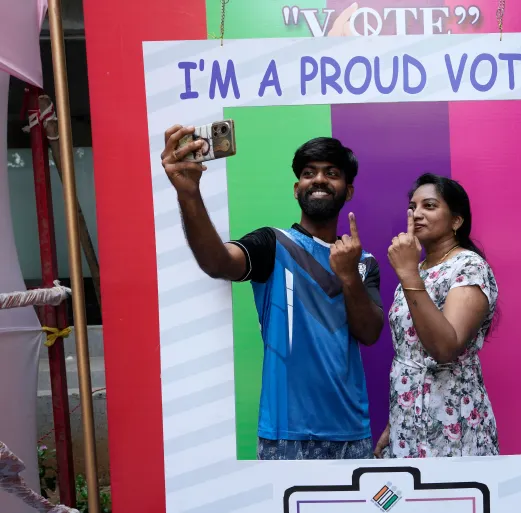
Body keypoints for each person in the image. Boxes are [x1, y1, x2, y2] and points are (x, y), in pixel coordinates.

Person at [161, 126, 384, 460]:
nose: (319, 179)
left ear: (348, 191)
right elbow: (217, 262)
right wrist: (188, 194)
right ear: (297, 189)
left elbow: (369, 333)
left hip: (352, 433)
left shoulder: (364, 262)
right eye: (309, 173)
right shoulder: (273, 244)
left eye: (331, 173)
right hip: (286, 436)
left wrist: (349, 275)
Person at [375, 173, 499, 458]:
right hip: (408, 421)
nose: (417, 214)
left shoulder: (468, 266)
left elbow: (445, 347)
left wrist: (406, 272)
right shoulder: (418, 271)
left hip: (453, 420)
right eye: (412, 207)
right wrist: (395, 421)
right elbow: (412, 353)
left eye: (429, 206)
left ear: (456, 220)